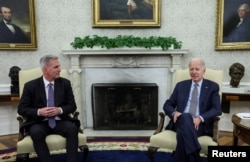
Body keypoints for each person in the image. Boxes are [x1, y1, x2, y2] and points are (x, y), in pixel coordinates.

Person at [17, 55, 79, 162]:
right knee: (36, 132)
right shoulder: (30, 86)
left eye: (59, 66)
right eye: (56, 67)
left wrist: (59, 110)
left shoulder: (65, 83)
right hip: (39, 122)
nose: (60, 69)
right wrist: (39, 112)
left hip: (60, 120)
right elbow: (22, 109)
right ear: (46, 69)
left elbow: (72, 106)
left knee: (72, 129)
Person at [163, 58, 222, 162]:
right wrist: (173, 112)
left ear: (204, 71)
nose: (194, 72)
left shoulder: (212, 87)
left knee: (182, 134)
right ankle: (195, 155)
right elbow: (168, 104)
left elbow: (217, 109)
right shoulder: (181, 85)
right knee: (185, 116)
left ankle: (191, 156)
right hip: (180, 121)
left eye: (197, 69)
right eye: (191, 69)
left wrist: (200, 118)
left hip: (200, 125)